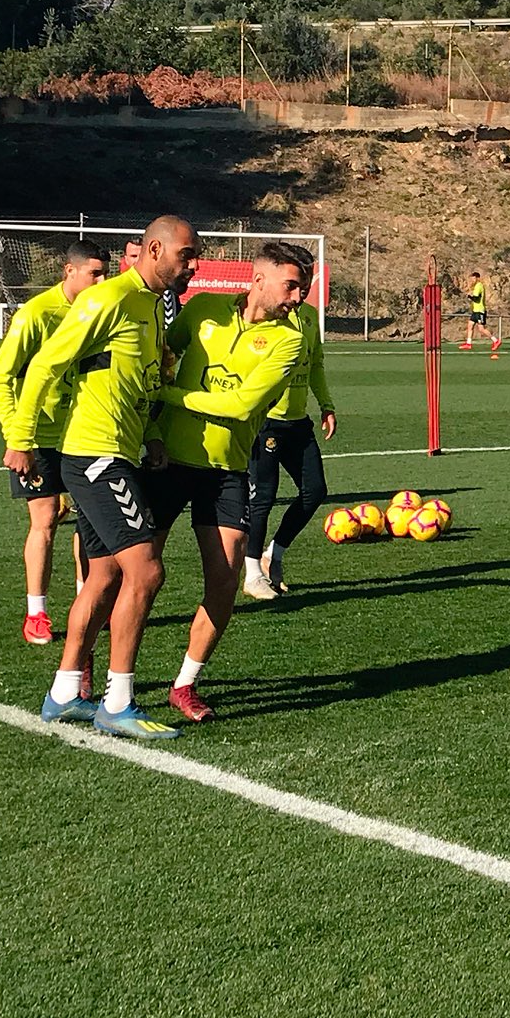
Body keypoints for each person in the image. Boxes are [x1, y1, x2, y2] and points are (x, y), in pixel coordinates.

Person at [6, 217, 200, 740]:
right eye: (185, 254)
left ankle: (65, 693)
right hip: (95, 456)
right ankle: (119, 699)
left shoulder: (154, 308)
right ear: (154, 249)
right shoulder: (106, 299)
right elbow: (46, 364)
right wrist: (21, 438)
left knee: (105, 576)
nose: (193, 264)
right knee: (147, 572)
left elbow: (142, 380)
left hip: (119, 453)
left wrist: (154, 433)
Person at [148, 243, 312, 722]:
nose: (298, 297)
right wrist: (155, 426)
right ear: (258, 278)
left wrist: (173, 397)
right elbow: (160, 358)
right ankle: (104, 670)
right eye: (292, 285)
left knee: (224, 579)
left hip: (226, 471)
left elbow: (242, 406)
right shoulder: (201, 309)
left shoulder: (289, 340)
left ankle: (184, 684)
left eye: (303, 287)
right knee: (134, 574)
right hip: (168, 462)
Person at [0, 239, 107, 647]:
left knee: (90, 525)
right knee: (45, 523)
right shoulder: (36, 315)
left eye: (104, 272)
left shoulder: (98, 312)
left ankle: (85, 602)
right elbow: (1, 378)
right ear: (68, 272)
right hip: (38, 439)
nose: (101, 280)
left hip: (83, 436)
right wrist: (15, 436)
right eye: (95, 273)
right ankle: (36, 612)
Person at [242, 294, 337, 600]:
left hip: (298, 423)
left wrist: (326, 405)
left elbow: (316, 364)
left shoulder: (309, 316)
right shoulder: (265, 317)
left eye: (306, 282)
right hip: (266, 422)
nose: (300, 290)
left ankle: (274, 554)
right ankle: (253, 574)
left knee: (315, 491)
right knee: (264, 498)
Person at [461, 271, 496, 349]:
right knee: (470, 325)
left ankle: (495, 340)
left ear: (478, 278)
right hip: (475, 311)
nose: (473, 280)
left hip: (480, 311)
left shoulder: (479, 286)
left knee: (481, 329)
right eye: (472, 278)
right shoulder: (476, 286)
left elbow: (476, 299)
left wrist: (470, 297)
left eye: (474, 278)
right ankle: (468, 344)